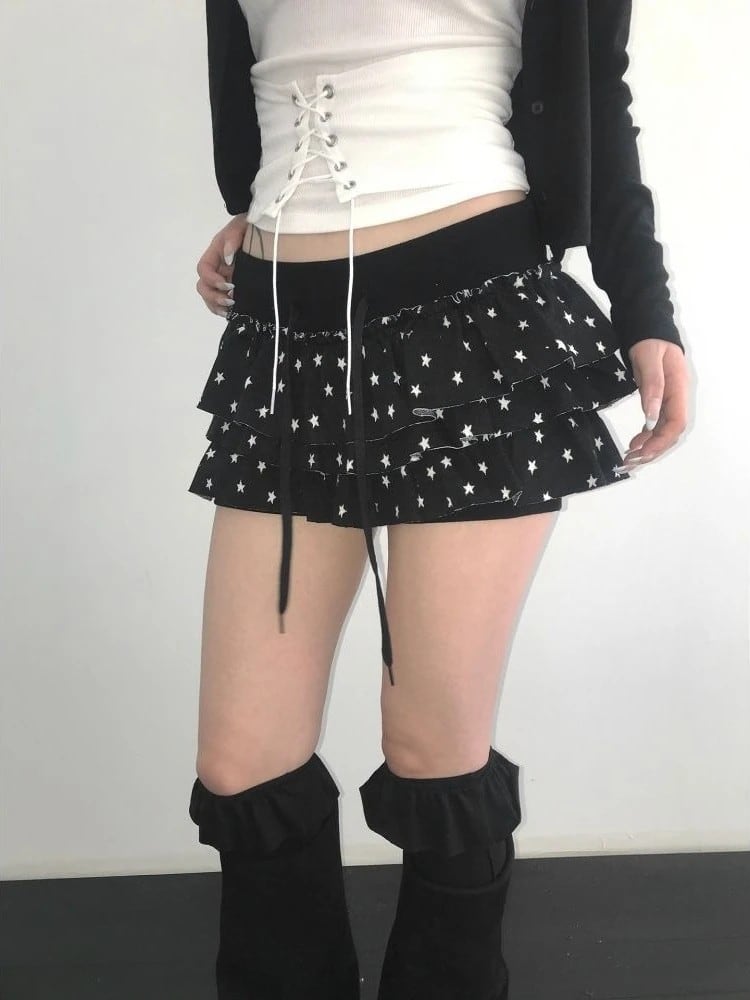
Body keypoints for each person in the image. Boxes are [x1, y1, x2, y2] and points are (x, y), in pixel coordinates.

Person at [187, 1, 690, 997]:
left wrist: (646, 308)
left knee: (431, 749)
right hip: (284, 331)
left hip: (474, 315)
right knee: (241, 762)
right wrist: (270, 203)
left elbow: (598, 92)